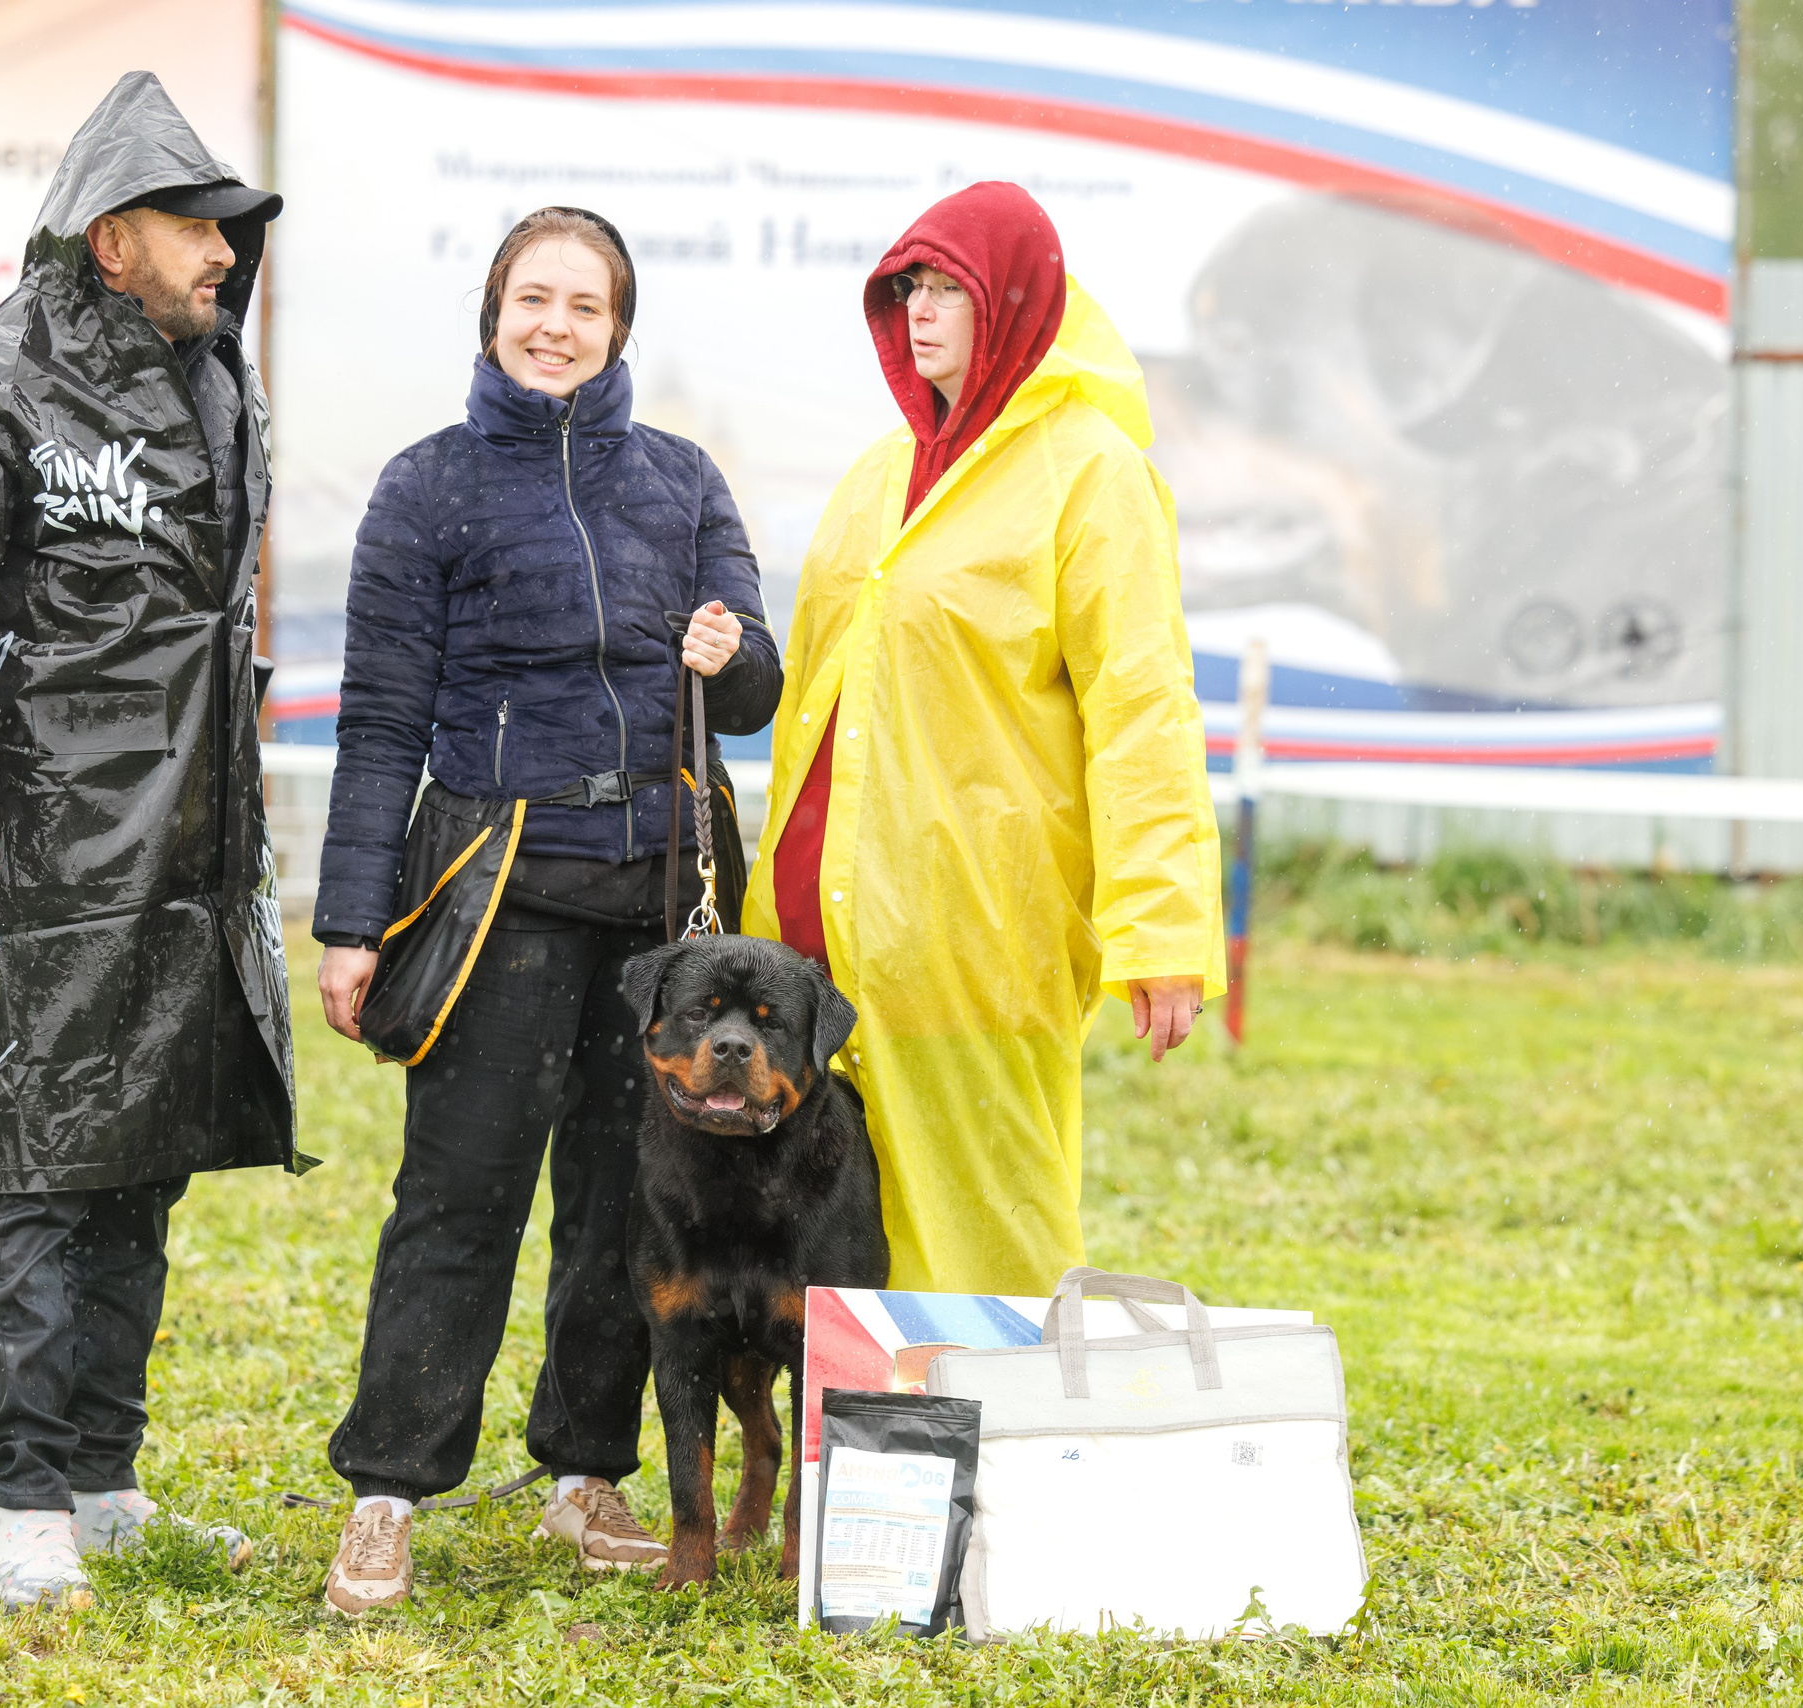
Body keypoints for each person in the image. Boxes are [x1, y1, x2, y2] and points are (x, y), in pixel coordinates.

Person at [0, 72, 297, 1611]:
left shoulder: (221, 380)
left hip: (192, 843)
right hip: (46, 841)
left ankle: (104, 1482)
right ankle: (26, 1503)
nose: (226, 253)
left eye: (235, 230)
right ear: (113, 238)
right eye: (199, 227)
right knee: (41, 1160)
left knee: (143, 1159)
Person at [310, 207, 782, 1616]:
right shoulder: (424, 489)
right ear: (493, 313)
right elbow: (381, 724)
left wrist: (732, 647)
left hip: (660, 922)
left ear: (620, 327)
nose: (556, 324)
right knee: (458, 1199)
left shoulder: (687, 483)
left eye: (585, 304)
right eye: (533, 298)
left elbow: (751, 692)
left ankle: (588, 1469)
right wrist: (350, 922)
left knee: (625, 1205)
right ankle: (389, 1488)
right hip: (493, 894)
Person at [746, 181, 1225, 1297]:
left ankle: (998, 1443)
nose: (921, 309)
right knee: (827, 1236)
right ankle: (865, 1461)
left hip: (976, 932)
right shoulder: (876, 473)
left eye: (949, 287)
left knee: (986, 1217)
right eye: (908, 285)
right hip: (818, 942)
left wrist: (1161, 929)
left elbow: (1142, 707)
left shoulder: (1091, 472)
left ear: (1012, 299)